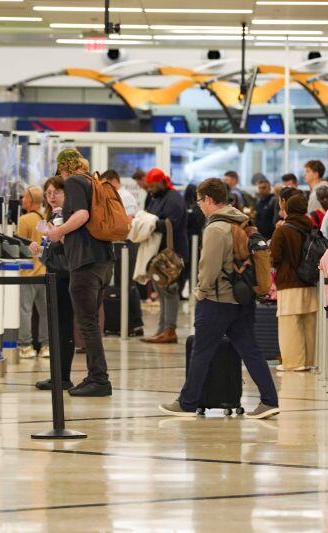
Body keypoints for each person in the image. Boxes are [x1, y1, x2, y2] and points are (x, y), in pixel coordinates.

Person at [158, 178, 279, 419]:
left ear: (210, 200)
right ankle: (269, 400)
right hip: (242, 298)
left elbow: (209, 268)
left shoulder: (215, 228)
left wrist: (200, 292)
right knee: (250, 350)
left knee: (201, 352)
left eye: (200, 201)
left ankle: (187, 402)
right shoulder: (241, 220)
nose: (199, 206)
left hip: (217, 300)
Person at [45, 149, 115, 397]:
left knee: (87, 324)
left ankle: (99, 379)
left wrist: (58, 231)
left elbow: (82, 215)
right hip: (103, 260)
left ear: (64, 167)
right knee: (91, 322)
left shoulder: (74, 181)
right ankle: (95, 376)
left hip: (85, 262)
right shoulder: (92, 180)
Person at [33, 176, 76, 390]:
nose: (51, 197)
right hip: (55, 272)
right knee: (57, 326)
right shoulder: (53, 215)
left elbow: (67, 246)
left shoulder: (68, 217)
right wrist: (40, 249)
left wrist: (56, 236)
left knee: (63, 326)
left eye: (56, 192)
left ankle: (63, 377)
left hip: (64, 276)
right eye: (48, 193)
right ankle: (57, 375)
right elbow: (51, 251)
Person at [270, 194, 320, 372]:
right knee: (309, 323)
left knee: (290, 324)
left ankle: (293, 362)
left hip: (289, 282)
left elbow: (274, 257)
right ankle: (308, 360)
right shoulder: (311, 227)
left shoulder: (283, 230)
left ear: (287, 209)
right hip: (309, 281)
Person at [142, 167, 189, 344]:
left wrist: (149, 222)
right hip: (160, 254)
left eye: (153, 186)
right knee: (161, 292)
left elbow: (171, 224)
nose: (150, 190)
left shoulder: (174, 198)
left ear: (162, 182)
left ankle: (169, 330)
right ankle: (162, 329)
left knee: (170, 291)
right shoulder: (159, 197)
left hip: (173, 254)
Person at [99, 170, 145, 337]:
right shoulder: (115, 196)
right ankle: (124, 323)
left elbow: (127, 221)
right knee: (120, 285)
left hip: (126, 245)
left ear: (113, 181)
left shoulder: (125, 197)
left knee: (127, 285)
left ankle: (135, 323)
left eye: (105, 184)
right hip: (118, 245)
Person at [16, 186, 49, 359]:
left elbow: (20, 247)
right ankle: (45, 346)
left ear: (30, 200)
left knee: (25, 310)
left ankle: (26, 346)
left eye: (24, 197)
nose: (22, 200)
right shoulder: (45, 218)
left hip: (27, 273)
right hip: (43, 271)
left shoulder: (24, 220)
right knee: (44, 312)